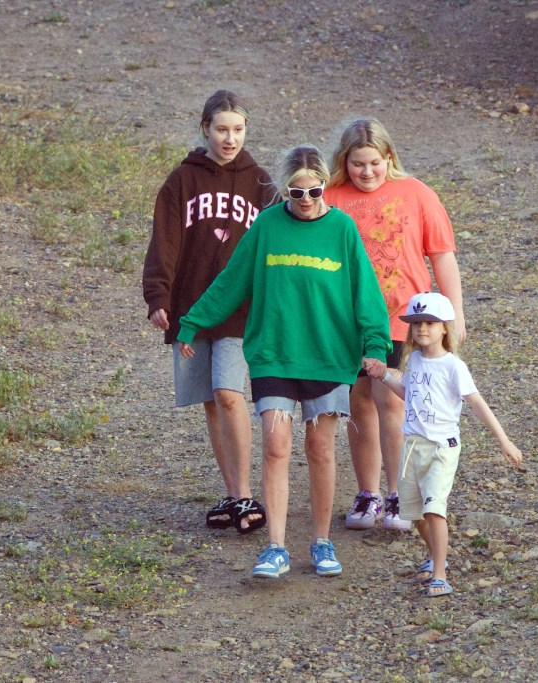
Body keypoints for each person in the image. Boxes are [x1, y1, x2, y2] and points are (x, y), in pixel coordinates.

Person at [177, 145, 390, 579]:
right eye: (297, 193)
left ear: (325, 186)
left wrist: (375, 345)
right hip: (274, 353)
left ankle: (321, 540)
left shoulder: (343, 230)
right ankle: (275, 547)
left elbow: (366, 295)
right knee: (276, 447)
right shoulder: (267, 227)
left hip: (328, 358)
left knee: (320, 449)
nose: (307, 201)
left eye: (314, 191)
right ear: (284, 190)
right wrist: (192, 323)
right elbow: (232, 281)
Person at [324, 117, 466, 532]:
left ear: (389, 158)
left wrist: (451, 315)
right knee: (357, 401)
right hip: (347, 321)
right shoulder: (330, 198)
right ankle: (367, 494)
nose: (366, 172)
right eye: (357, 164)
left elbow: (442, 255)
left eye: (374, 163)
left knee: (395, 402)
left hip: (405, 318)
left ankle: (399, 494)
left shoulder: (416, 193)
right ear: (343, 162)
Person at [142, 90, 273, 534]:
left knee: (230, 394)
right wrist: (158, 297)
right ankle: (234, 493)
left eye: (238, 129)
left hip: (241, 309)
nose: (230, 138)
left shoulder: (262, 184)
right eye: (222, 129)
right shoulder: (182, 181)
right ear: (205, 129)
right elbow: (164, 242)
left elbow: (275, 248)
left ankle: (245, 494)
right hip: (192, 307)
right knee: (212, 404)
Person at [364, 291, 522, 597]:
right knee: (415, 513)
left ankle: (439, 573)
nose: (422, 329)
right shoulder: (414, 362)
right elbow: (407, 392)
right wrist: (384, 376)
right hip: (412, 446)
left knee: (435, 508)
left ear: (444, 328)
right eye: (416, 323)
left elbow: (477, 403)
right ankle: (437, 555)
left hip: (441, 448)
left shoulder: (453, 367)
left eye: (430, 323)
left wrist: (504, 441)